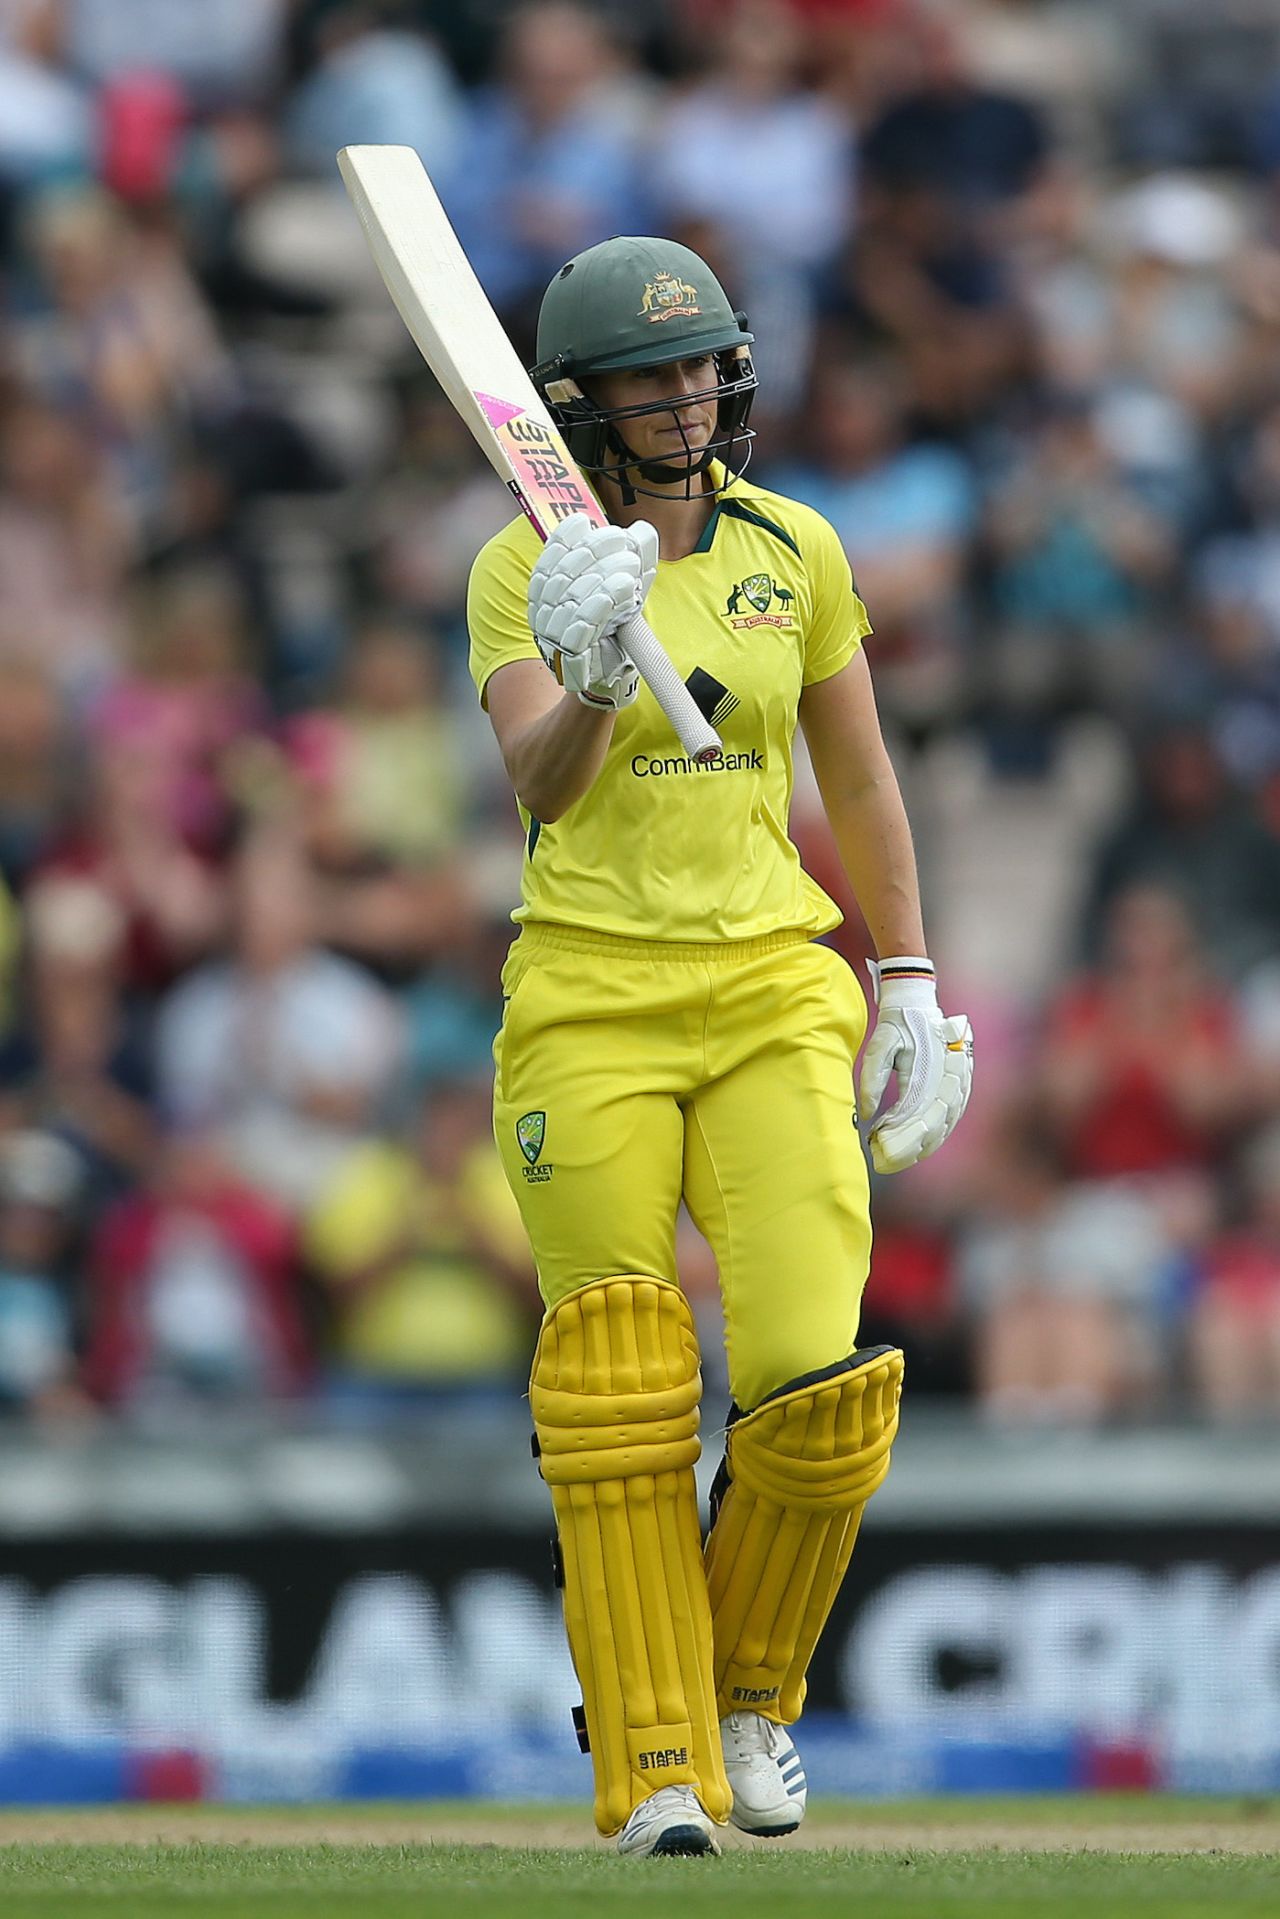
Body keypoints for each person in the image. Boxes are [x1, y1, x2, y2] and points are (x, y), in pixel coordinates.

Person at [466, 236, 973, 1857]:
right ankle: (653, 1763)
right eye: (650, 378)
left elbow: (866, 778)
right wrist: (598, 676)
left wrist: (903, 973)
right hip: (589, 997)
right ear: (581, 406)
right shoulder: (519, 567)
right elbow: (539, 789)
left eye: (702, 369)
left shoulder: (796, 547)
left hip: (771, 982)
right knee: (619, 1383)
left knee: (815, 1389)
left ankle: (750, 1695)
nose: (688, 401)